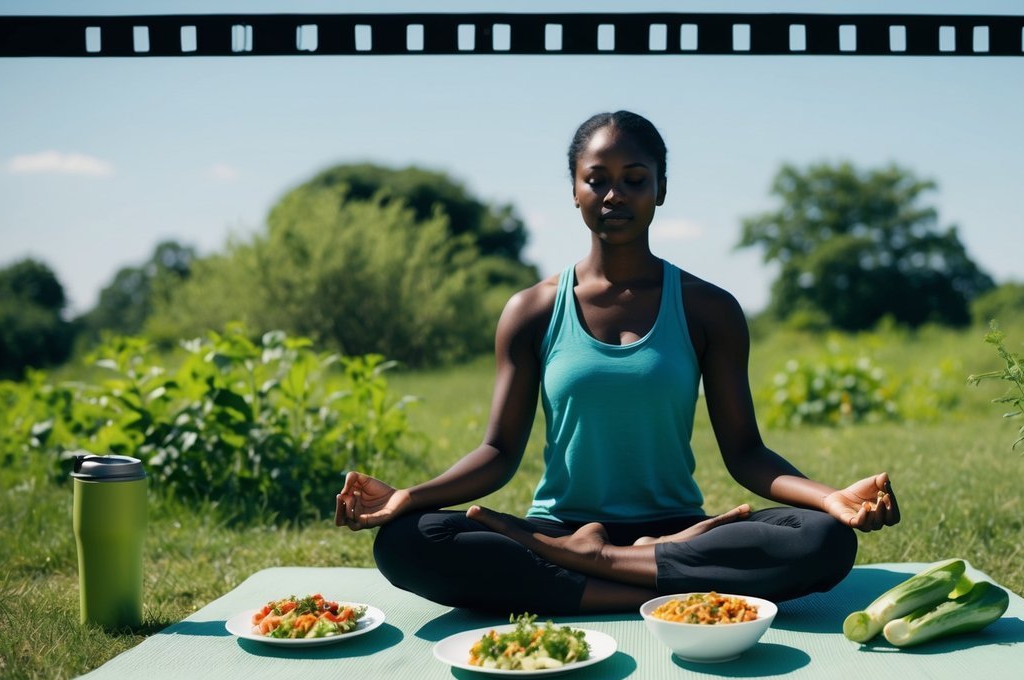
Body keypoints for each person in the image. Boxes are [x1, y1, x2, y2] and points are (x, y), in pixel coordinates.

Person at [334, 110, 900, 615]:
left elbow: (746, 454)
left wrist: (828, 498)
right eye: (597, 180)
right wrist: (414, 495)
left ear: (661, 189)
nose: (614, 196)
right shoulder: (530, 310)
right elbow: (498, 453)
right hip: (561, 527)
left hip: (681, 530)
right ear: (574, 191)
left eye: (634, 180)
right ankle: (650, 585)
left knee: (823, 539)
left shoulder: (710, 309)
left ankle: (592, 569)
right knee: (410, 541)